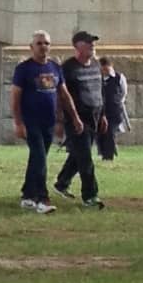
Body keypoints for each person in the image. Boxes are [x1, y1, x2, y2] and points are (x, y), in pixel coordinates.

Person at [10, 30, 65, 212]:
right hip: (30, 121)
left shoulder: (55, 68)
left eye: (46, 43)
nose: (43, 47)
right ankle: (43, 199)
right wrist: (18, 123)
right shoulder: (24, 69)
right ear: (31, 47)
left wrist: (61, 120)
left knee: (37, 159)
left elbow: (62, 94)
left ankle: (27, 194)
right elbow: (15, 98)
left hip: (48, 122)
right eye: (40, 43)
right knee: (40, 158)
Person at [54, 29, 108, 208]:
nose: (92, 45)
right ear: (77, 46)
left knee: (79, 155)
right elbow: (61, 96)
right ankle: (90, 196)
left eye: (93, 42)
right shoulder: (68, 68)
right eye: (88, 42)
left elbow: (100, 91)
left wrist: (103, 115)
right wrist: (64, 120)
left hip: (94, 116)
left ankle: (62, 183)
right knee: (85, 158)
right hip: (76, 119)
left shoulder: (95, 65)